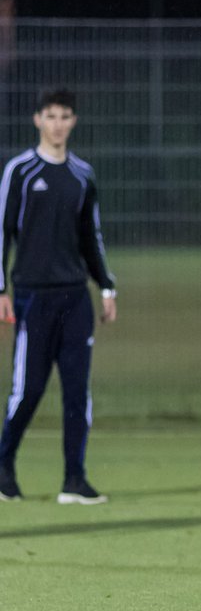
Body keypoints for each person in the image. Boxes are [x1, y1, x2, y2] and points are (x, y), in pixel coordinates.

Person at [0, 87, 116, 504]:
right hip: (32, 298)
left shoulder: (83, 175)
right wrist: (1, 289)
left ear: (73, 121)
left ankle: (74, 480)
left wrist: (106, 286)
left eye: (65, 116)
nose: (58, 124)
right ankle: (3, 469)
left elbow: (92, 237)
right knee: (27, 391)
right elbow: (1, 233)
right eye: (50, 116)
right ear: (37, 120)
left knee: (75, 392)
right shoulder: (20, 171)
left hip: (74, 299)